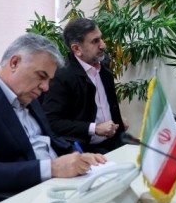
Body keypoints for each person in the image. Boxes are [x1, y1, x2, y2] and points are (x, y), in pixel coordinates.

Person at [0, 34, 106, 198]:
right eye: (41, 76)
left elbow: (50, 139)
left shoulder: (27, 94)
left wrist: (78, 156)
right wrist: (52, 168)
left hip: (61, 185)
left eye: (49, 80)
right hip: (25, 197)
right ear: (14, 63)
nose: (45, 87)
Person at [41, 18, 126, 153]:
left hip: (115, 141)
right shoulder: (61, 76)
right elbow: (53, 122)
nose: (103, 45)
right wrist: (94, 128)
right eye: (95, 41)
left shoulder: (104, 62)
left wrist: (118, 122)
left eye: (101, 38)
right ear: (76, 49)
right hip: (85, 150)